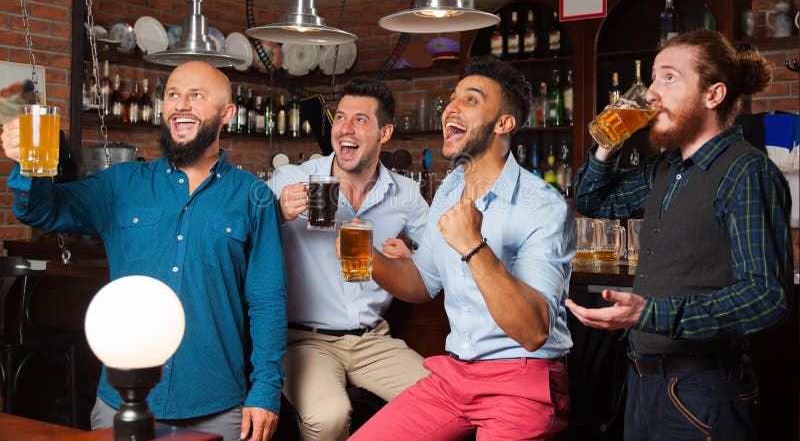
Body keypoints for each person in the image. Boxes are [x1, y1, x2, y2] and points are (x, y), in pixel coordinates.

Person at [1, 61, 287, 441]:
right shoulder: (120, 185)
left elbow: (268, 301)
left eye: (196, 96)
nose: (180, 105)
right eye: (172, 95)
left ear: (226, 114)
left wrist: (266, 389)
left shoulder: (254, 198)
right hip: (120, 402)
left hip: (217, 403)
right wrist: (28, 164)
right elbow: (41, 209)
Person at [566, 29, 794, 441]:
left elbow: (766, 297)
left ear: (713, 95)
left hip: (702, 392)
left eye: (669, 78)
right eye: (652, 78)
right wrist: (607, 142)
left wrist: (648, 313)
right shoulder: (665, 168)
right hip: (643, 383)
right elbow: (593, 200)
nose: (652, 93)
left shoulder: (747, 172)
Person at [349, 57, 575, 440]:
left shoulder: (544, 206)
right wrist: (364, 255)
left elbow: (534, 331)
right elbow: (422, 282)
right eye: (452, 98)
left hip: (523, 379)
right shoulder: (451, 188)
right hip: (455, 376)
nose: (450, 107)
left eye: (470, 100)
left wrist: (473, 244)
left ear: (505, 123)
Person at [266, 77, 429, 441]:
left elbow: (439, 258)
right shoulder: (291, 180)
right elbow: (235, 232)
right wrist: (275, 212)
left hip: (373, 340)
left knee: (439, 401)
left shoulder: (405, 193)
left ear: (384, 132)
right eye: (340, 118)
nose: (346, 129)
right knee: (329, 417)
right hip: (305, 341)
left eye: (360, 120)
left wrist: (412, 255)